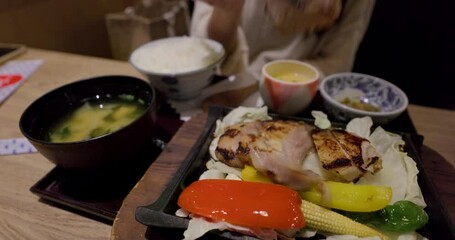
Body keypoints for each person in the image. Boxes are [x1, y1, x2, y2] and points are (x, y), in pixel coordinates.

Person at [190, 0, 376, 81]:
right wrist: (227, 10)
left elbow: (335, 65)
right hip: (223, 87)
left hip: (302, 100)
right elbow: (201, 56)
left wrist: (259, 84)